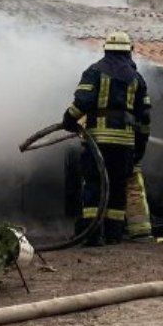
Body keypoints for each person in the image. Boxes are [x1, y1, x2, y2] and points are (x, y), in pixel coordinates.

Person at [62, 31, 152, 245]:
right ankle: (113, 235)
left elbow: (82, 102)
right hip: (125, 146)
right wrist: (139, 148)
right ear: (129, 51)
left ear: (106, 50)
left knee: (94, 185)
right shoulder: (137, 79)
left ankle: (91, 237)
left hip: (97, 142)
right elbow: (145, 118)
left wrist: (68, 119)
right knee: (117, 188)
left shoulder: (94, 71)